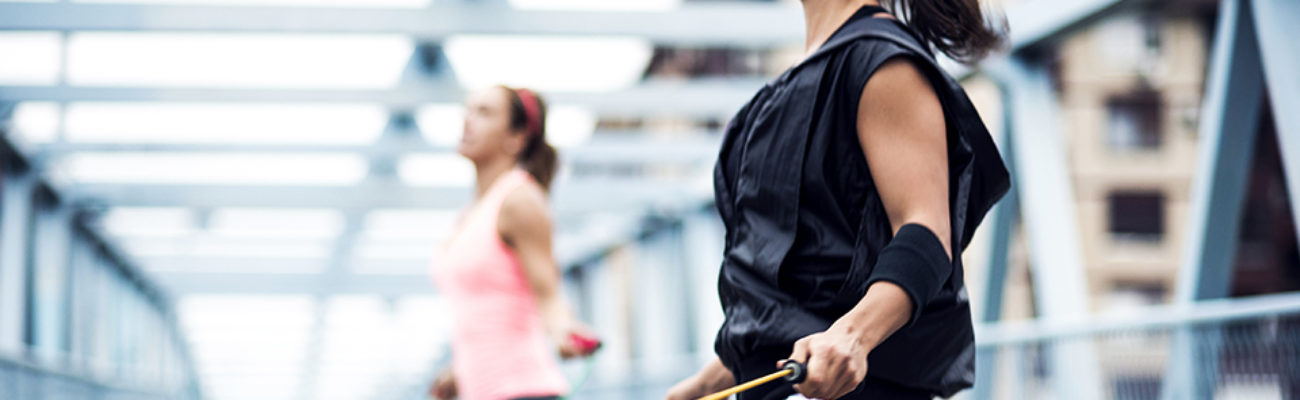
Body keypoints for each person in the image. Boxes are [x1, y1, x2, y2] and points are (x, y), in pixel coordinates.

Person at [666, 0, 1010, 399]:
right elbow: (792, 306)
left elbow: (927, 234)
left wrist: (853, 335)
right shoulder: (802, 77)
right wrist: (701, 387)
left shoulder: (883, 62)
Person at [430, 86, 597, 400]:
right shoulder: (473, 213)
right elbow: (486, 311)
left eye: (485, 112)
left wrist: (565, 330)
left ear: (516, 138)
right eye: (468, 110)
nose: (467, 121)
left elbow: (548, 296)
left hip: (523, 390)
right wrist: (460, 369)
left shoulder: (520, 200)